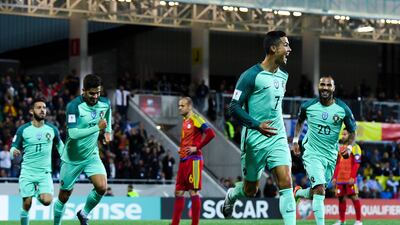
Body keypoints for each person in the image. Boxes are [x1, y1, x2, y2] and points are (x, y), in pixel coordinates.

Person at [221, 31, 295, 225]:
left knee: (286, 181)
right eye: (285, 45)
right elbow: (234, 107)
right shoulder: (251, 75)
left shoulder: (284, 75)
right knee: (250, 190)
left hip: (277, 136)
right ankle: (232, 194)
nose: (289, 49)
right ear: (273, 48)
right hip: (254, 138)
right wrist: (256, 125)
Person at [292, 76, 357, 225]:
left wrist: (349, 147)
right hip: (312, 152)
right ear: (318, 87)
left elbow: (353, 131)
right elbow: (300, 122)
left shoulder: (342, 109)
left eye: (329, 85)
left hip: (330, 155)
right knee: (320, 189)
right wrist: (295, 140)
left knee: (318, 191)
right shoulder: (308, 106)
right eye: (322, 84)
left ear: (333, 88)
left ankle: (299, 192)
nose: (325, 87)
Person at [53, 74, 112, 225]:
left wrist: (107, 131)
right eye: (92, 93)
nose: (96, 96)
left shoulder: (105, 103)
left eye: (98, 92)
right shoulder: (73, 106)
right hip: (72, 158)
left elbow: (108, 114)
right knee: (64, 196)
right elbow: (73, 134)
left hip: (91, 155)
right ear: (83, 91)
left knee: (102, 187)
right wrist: (97, 128)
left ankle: (84, 213)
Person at [10, 98, 64, 225]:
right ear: (31, 111)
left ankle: (38, 193)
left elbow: (61, 147)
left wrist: (66, 158)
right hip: (27, 171)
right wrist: (14, 152)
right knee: (27, 203)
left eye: (44, 107)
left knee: (47, 201)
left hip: (44, 173)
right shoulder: (23, 130)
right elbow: (13, 147)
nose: (42, 110)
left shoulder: (52, 129)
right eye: (39, 107)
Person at [171, 96, 215, 225]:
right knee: (178, 192)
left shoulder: (196, 118)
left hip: (194, 160)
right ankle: (175, 223)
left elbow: (211, 133)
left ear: (189, 106)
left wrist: (197, 147)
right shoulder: (185, 121)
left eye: (182, 105)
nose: (179, 108)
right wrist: (182, 148)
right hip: (184, 159)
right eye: (179, 105)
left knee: (192, 192)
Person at [332, 128, 363, 225]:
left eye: (345, 134)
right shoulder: (339, 147)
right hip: (340, 179)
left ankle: (358, 221)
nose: (342, 136)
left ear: (350, 135)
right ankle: (342, 220)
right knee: (341, 198)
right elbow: (337, 163)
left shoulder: (355, 147)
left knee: (354, 197)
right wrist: (335, 177)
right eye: (342, 134)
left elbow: (356, 163)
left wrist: (353, 177)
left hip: (350, 178)